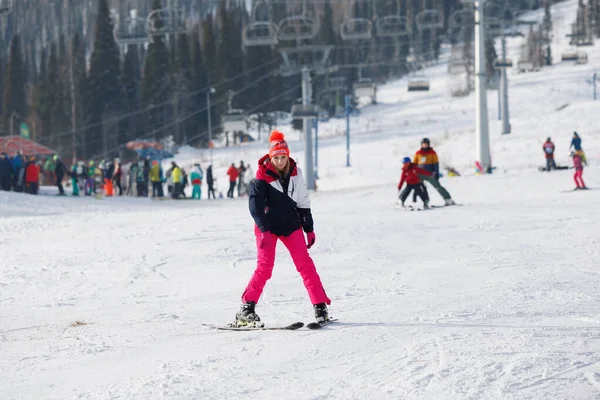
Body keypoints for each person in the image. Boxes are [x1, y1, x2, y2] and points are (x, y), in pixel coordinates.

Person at [234, 130, 331, 327]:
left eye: (283, 157)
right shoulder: (262, 175)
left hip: (290, 225)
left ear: (288, 156)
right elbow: (255, 206)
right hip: (267, 227)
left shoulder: (296, 173)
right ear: (271, 157)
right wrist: (264, 230)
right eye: (276, 157)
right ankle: (246, 309)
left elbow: (303, 201)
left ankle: (320, 307)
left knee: (305, 264)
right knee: (265, 267)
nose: (279, 161)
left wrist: (309, 229)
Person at [413, 138, 455, 206]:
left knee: (438, 186)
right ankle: (424, 201)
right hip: (420, 173)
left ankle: (448, 199)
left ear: (428, 144)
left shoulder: (432, 153)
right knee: (415, 187)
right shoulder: (418, 153)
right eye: (423, 144)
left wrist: (436, 173)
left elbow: (436, 164)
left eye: (426, 144)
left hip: (430, 173)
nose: (424, 145)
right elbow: (414, 164)